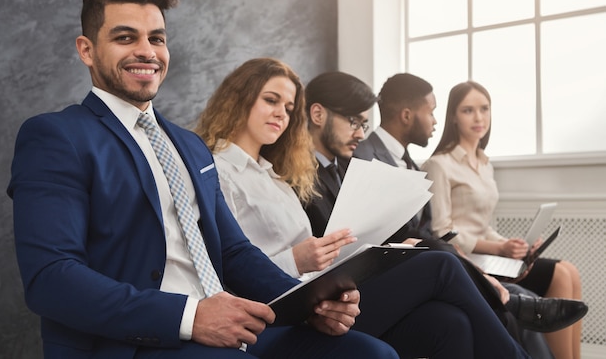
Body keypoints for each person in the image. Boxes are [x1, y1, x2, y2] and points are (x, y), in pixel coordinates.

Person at [6, 0, 402, 359]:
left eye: (156, 38)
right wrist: (191, 317)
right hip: (134, 341)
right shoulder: (56, 137)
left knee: (373, 352)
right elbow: (50, 278)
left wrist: (312, 303)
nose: (146, 51)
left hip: (231, 329)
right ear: (87, 50)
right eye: (125, 37)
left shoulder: (189, 145)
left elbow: (234, 253)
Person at [195, 58, 530, 358]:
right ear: (240, 99)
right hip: (284, 307)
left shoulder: (278, 175)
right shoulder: (216, 171)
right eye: (271, 100)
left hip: (322, 293)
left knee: (450, 322)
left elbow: (315, 254)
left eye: (288, 106)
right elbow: (224, 268)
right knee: (441, 264)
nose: (282, 113)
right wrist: (298, 259)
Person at [309, 72, 586, 358]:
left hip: (402, 259)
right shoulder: (361, 158)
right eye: (354, 122)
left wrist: (505, 247)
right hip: (375, 273)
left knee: (458, 314)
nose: (360, 133)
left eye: (363, 123)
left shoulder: (385, 163)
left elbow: (420, 229)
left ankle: (507, 302)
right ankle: (506, 303)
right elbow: (425, 229)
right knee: (447, 264)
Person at [421, 80, 586, 359]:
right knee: (559, 274)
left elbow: (483, 224)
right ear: (453, 117)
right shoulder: (439, 164)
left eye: (484, 109)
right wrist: (498, 249)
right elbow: (442, 230)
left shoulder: (485, 163)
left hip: (491, 254)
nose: (479, 117)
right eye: (468, 110)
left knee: (569, 271)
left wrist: (512, 243)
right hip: (469, 260)